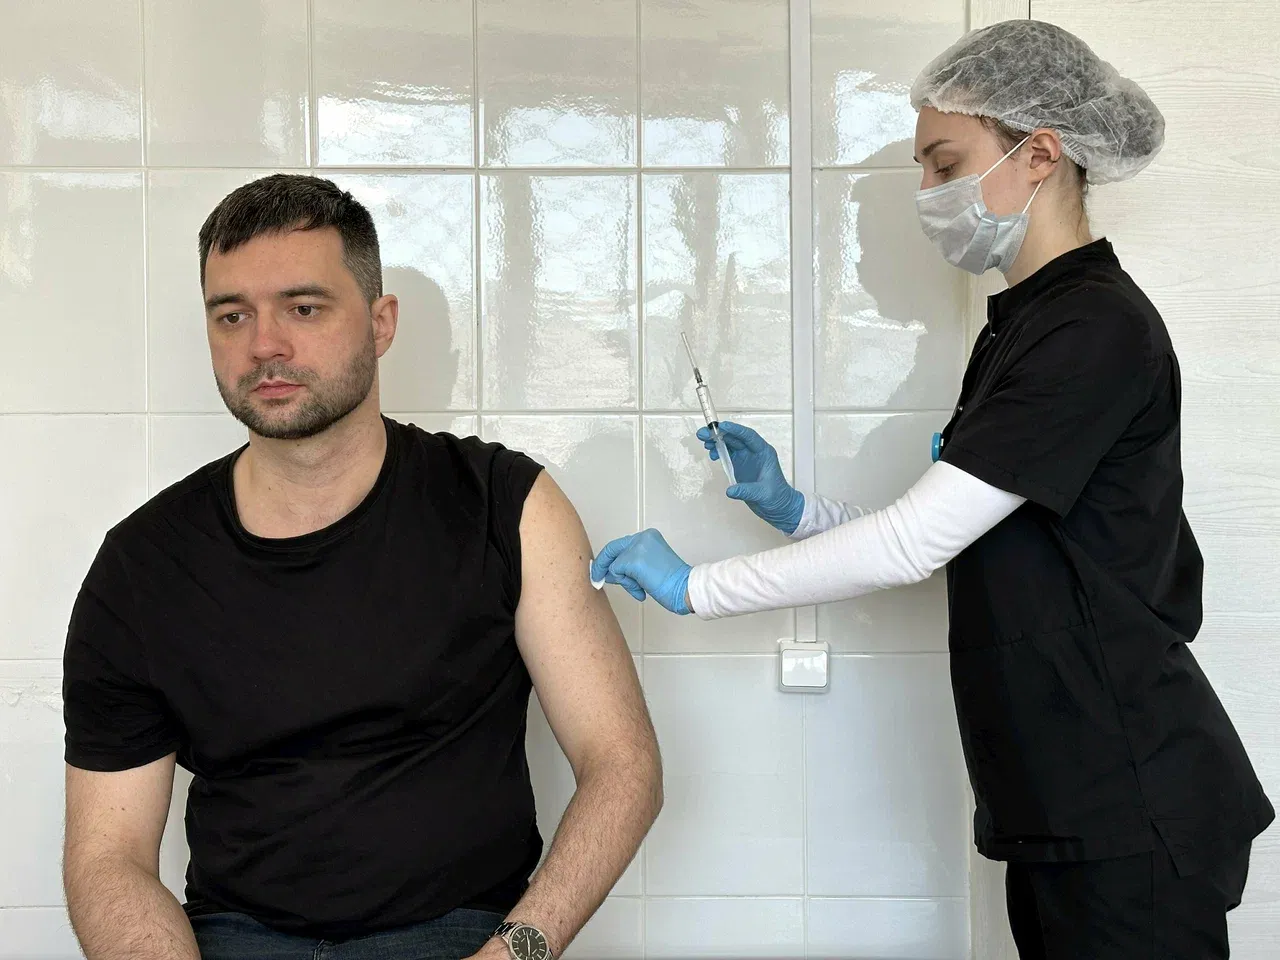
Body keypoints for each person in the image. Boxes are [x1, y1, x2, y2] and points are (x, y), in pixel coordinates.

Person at [591, 19, 1273, 960]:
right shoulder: (1024, 326)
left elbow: (915, 541)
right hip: (1064, 795)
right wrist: (795, 509)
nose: (928, 193)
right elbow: (967, 532)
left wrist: (694, 588)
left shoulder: (1092, 329)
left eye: (944, 164)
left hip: (1129, 799)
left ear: (1041, 155)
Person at [61, 174, 662, 960]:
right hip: (237, 938)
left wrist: (514, 950)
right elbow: (108, 857)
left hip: (462, 935)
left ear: (381, 324)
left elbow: (622, 765)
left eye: (303, 308)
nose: (264, 345)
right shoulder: (142, 565)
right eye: (232, 315)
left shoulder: (506, 507)